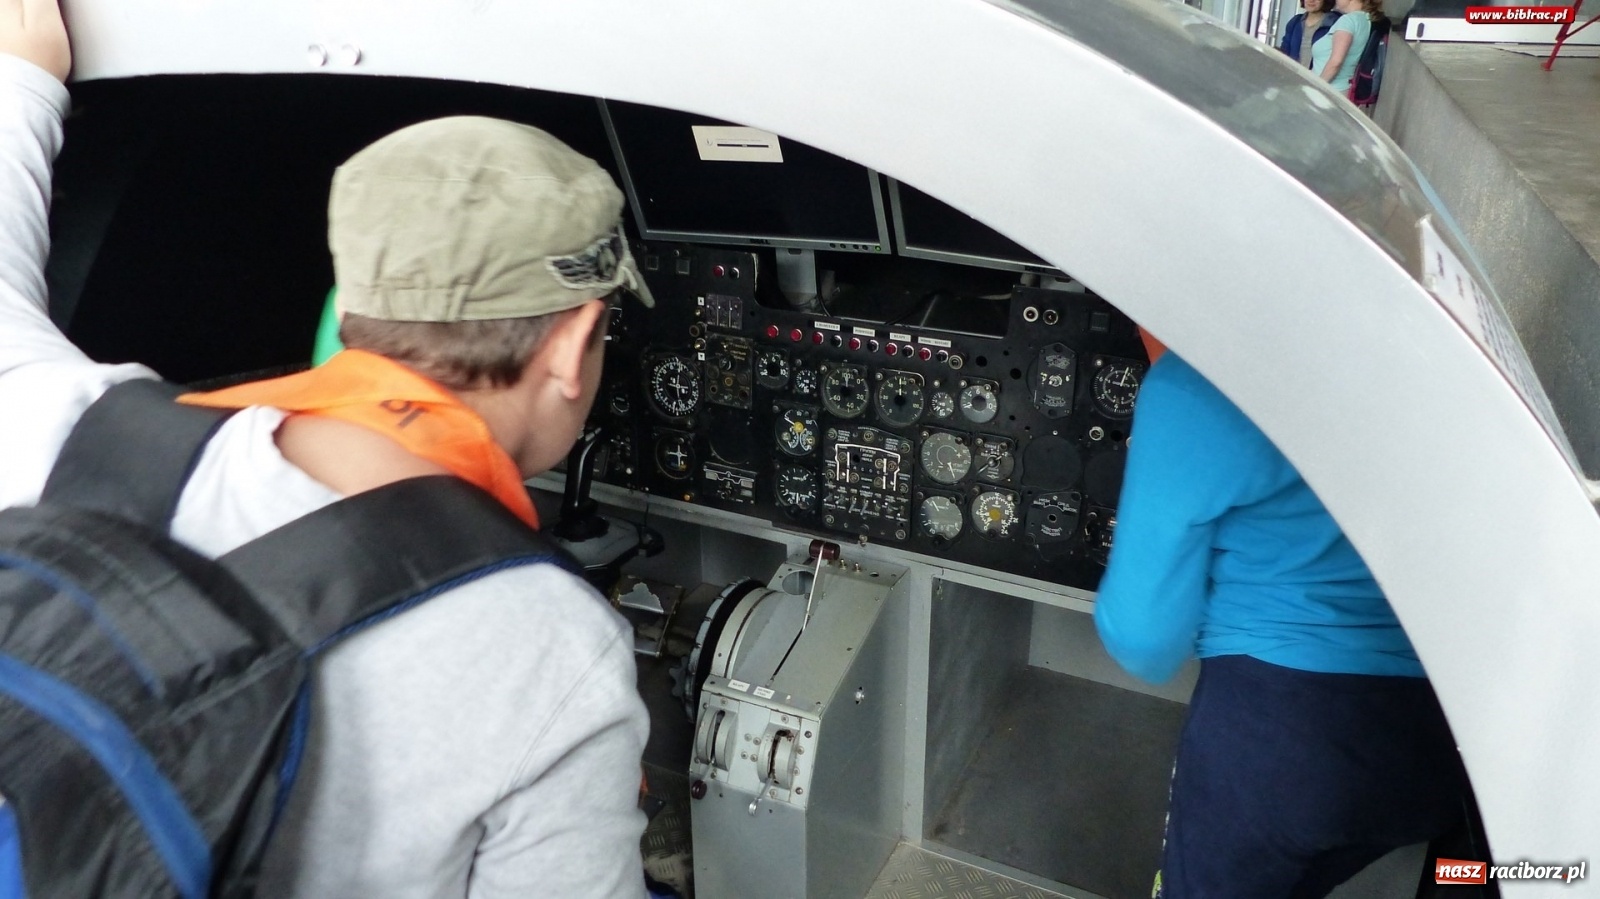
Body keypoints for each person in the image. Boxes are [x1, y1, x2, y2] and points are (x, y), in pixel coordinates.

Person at [0, 2, 653, 897]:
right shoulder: (551, 648)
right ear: (574, 344)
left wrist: (20, 78)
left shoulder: (67, 425)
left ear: (351, 302)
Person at [1094, 349, 1470, 898]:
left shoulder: (1196, 379)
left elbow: (1143, 639)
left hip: (1275, 745)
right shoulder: (1453, 365)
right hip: (1447, 739)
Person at [1312, 0, 1380, 94]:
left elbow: (1336, 62)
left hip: (1329, 91)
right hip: (1344, 89)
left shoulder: (1347, 21)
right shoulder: (1365, 19)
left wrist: (1315, 87)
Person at [1278, 0, 1341, 70]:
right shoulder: (1295, 21)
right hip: (1293, 75)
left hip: (1319, 77)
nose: (1311, 1)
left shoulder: (1334, 23)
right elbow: (1285, 50)